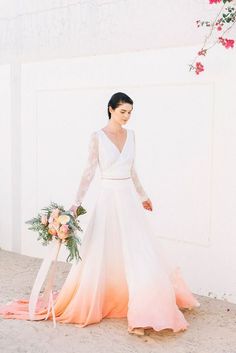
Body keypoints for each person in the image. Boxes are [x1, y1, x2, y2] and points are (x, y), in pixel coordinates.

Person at [0, 92, 200, 336]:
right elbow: (89, 172)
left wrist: (143, 196)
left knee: (139, 251)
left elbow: (132, 169)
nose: (127, 117)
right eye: (122, 111)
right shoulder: (98, 137)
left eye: (130, 112)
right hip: (108, 198)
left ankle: (145, 310)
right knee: (103, 251)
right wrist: (76, 204)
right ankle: (112, 299)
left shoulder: (132, 136)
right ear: (110, 109)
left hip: (128, 198)